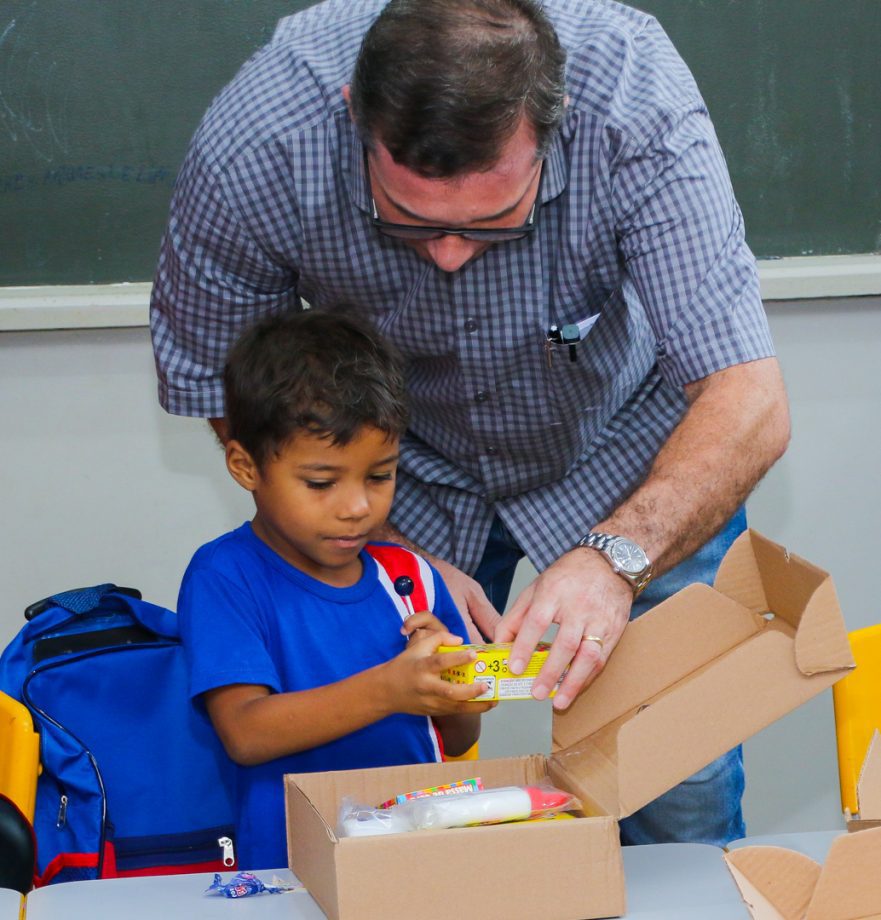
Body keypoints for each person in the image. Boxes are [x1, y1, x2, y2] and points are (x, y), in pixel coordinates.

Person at [152, 0, 790, 846]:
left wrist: (615, 559)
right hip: (394, 473)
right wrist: (389, 547)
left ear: (548, 131)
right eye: (408, 220)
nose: (450, 253)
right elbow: (242, 395)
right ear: (354, 113)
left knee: (684, 792)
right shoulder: (262, 140)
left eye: (492, 220)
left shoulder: (633, 102)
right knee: (381, 792)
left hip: (629, 459)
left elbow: (748, 397)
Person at [177, 309, 494, 870]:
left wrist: (457, 691)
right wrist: (390, 690)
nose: (357, 508)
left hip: (421, 854)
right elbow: (246, 731)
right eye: (321, 483)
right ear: (245, 466)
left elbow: (456, 736)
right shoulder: (224, 577)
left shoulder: (412, 578)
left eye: (380, 476)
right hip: (291, 869)